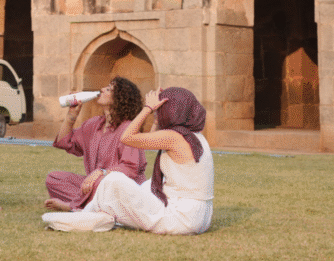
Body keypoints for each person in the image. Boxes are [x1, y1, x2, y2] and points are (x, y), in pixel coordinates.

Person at [46, 87, 214, 234]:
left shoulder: (173, 137)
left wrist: (147, 108)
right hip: (199, 216)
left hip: (181, 218)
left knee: (112, 180)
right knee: (143, 185)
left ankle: (82, 212)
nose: (159, 112)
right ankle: (101, 213)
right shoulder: (196, 137)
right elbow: (150, 138)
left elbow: (127, 138)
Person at [45, 76, 146, 212]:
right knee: (54, 178)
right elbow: (65, 142)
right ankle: (92, 206)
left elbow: (130, 169)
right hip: (94, 187)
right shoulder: (94, 124)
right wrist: (71, 116)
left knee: (100, 183)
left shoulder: (129, 128)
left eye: (109, 89)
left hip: (119, 188)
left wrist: (101, 173)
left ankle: (74, 206)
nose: (102, 89)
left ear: (120, 98)